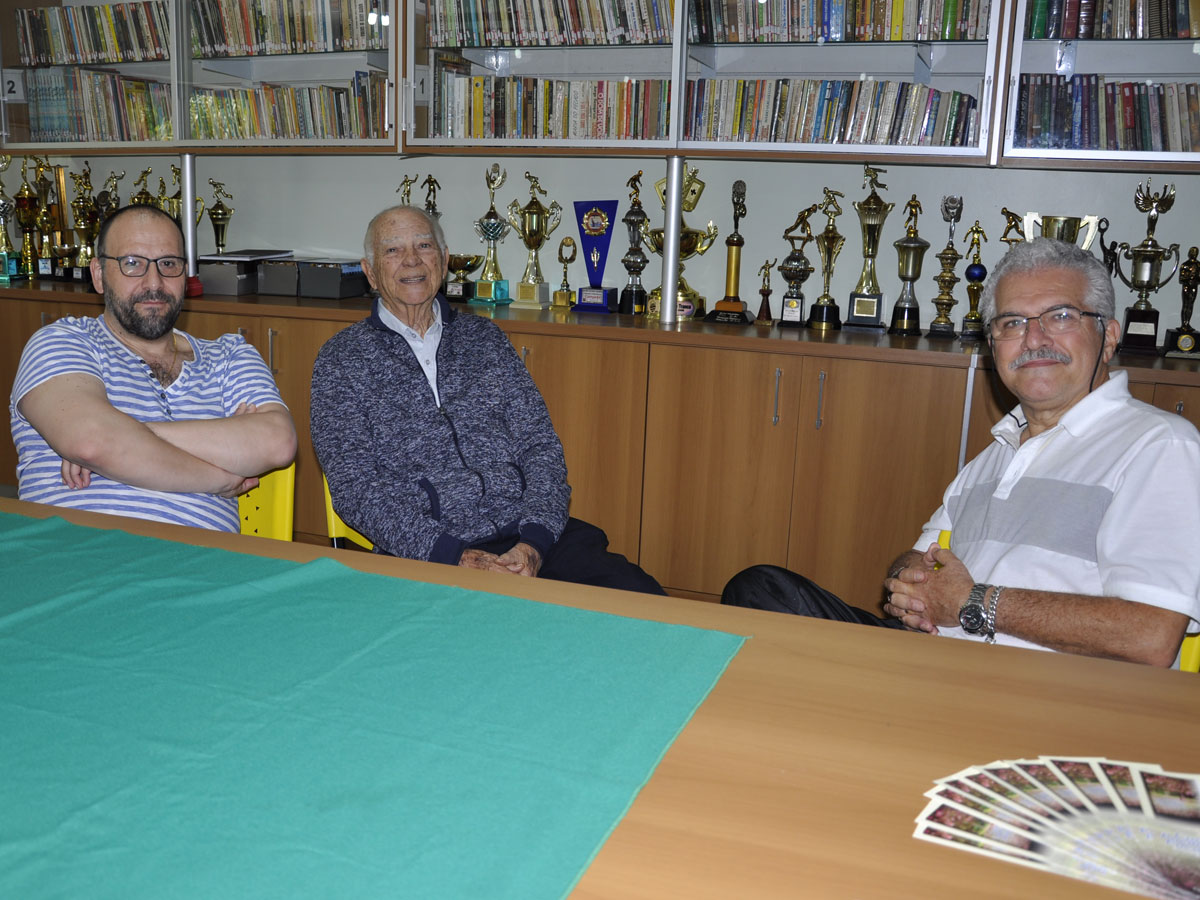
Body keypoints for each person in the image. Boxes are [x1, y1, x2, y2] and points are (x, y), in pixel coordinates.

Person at [723, 238, 1200, 668]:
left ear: (1109, 336)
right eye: (1013, 322)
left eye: (1060, 316)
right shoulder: (995, 456)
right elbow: (920, 556)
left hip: (1035, 693)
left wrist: (974, 603)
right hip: (933, 661)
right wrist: (910, 583)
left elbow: (1150, 635)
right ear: (994, 344)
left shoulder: (1159, 446)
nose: (1034, 339)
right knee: (760, 589)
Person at [310, 205, 664, 594]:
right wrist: (454, 556)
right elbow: (356, 489)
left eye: (424, 245)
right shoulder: (341, 361)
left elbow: (540, 447)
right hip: (429, 553)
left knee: (643, 600)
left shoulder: (486, 341)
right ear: (371, 272)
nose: (411, 260)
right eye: (393, 250)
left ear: (443, 261)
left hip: (531, 537)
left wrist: (533, 544)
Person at [10, 204, 297, 532]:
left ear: (185, 277)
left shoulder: (231, 355)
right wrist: (218, 478)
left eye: (169, 264)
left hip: (203, 565)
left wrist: (122, 433)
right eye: (132, 263)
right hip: (74, 556)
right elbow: (90, 442)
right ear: (99, 275)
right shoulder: (62, 341)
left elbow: (277, 442)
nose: (154, 282)